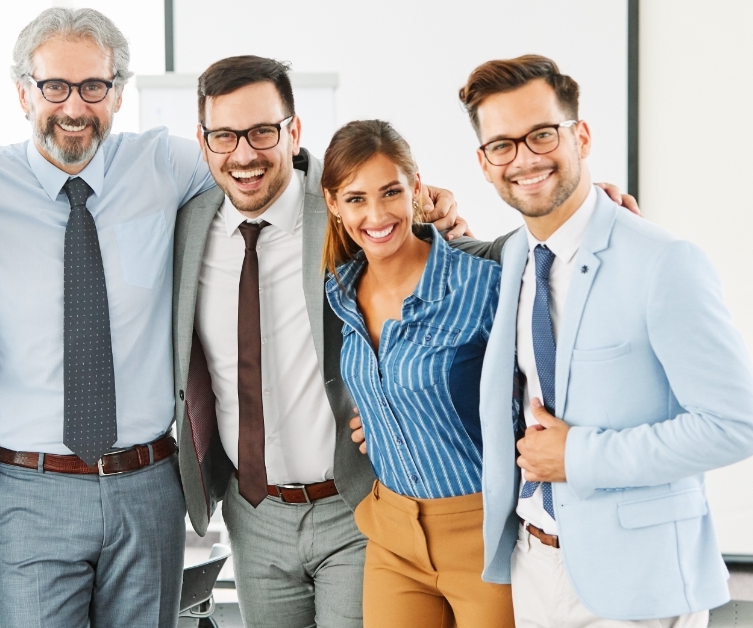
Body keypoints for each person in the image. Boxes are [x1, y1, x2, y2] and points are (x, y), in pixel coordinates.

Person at [173, 56, 466, 628]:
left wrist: (575, 206)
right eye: (224, 135)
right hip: (251, 513)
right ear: (203, 142)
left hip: (352, 504)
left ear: (293, 131)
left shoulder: (344, 211)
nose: (244, 154)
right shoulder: (188, 225)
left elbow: (443, 268)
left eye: (262, 131)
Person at [465, 54, 753, 627]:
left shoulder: (663, 261)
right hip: (533, 563)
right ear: (484, 161)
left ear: (582, 136)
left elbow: (735, 423)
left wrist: (578, 455)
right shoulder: (516, 255)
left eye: (542, 134)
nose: (524, 159)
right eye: (503, 145)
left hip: (639, 583)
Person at [0, 8, 211, 626]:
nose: (75, 106)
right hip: (28, 490)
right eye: (54, 87)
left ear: (118, 92)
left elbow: (271, 174)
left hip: (147, 485)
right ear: (21, 92)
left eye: (94, 87)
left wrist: (417, 209)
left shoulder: (168, 165)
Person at [319, 119, 514, 626]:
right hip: (392, 535)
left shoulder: (482, 285)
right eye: (356, 198)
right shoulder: (337, 294)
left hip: (485, 535)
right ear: (334, 205)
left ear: (417, 190)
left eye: (391, 192)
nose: (377, 214)